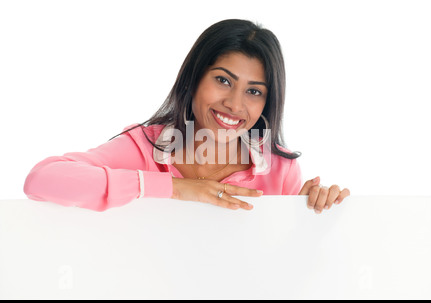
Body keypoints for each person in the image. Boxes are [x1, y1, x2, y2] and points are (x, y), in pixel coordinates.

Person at [23, 19, 350, 213]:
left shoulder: (279, 168)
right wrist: (176, 187)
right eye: (223, 80)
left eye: (254, 91)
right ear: (194, 79)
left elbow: (281, 268)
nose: (235, 105)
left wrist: (308, 213)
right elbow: (42, 180)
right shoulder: (145, 147)